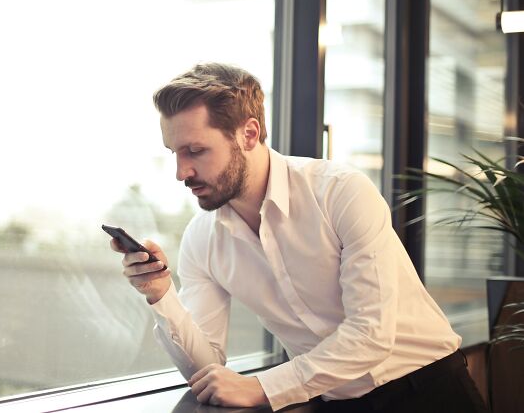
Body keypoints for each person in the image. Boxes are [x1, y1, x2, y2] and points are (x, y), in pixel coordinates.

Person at [110, 62, 489, 412]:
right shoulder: (201, 241)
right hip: (332, 403)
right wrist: (161, 295)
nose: (181, 172)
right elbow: (208, 372)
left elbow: (371, 335)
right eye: (175, 152)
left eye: (196, 150)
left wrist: (263, 386)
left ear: (249, 133)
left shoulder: (341, 192)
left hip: (429, 390)